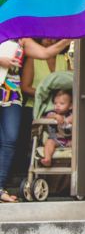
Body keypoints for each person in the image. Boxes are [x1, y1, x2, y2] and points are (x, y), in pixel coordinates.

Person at [0, 38, 70, 203]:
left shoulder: (21, 39)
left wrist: (67, 41)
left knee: (10, 139)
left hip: (12, 93)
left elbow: (45, 53)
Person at [40, 89, 73, 167]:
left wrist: (69, 119)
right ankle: (47, 159)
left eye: (62, 103)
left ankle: (77, 160)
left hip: (71, 140)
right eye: (55, 103)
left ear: (71, 106)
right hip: (57, 139)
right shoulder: (53, 113)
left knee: (78, 142)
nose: (57, 105)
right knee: (49, 142)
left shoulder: (73, 113)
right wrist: (55, 116)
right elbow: (48, 116)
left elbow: (76, 116)